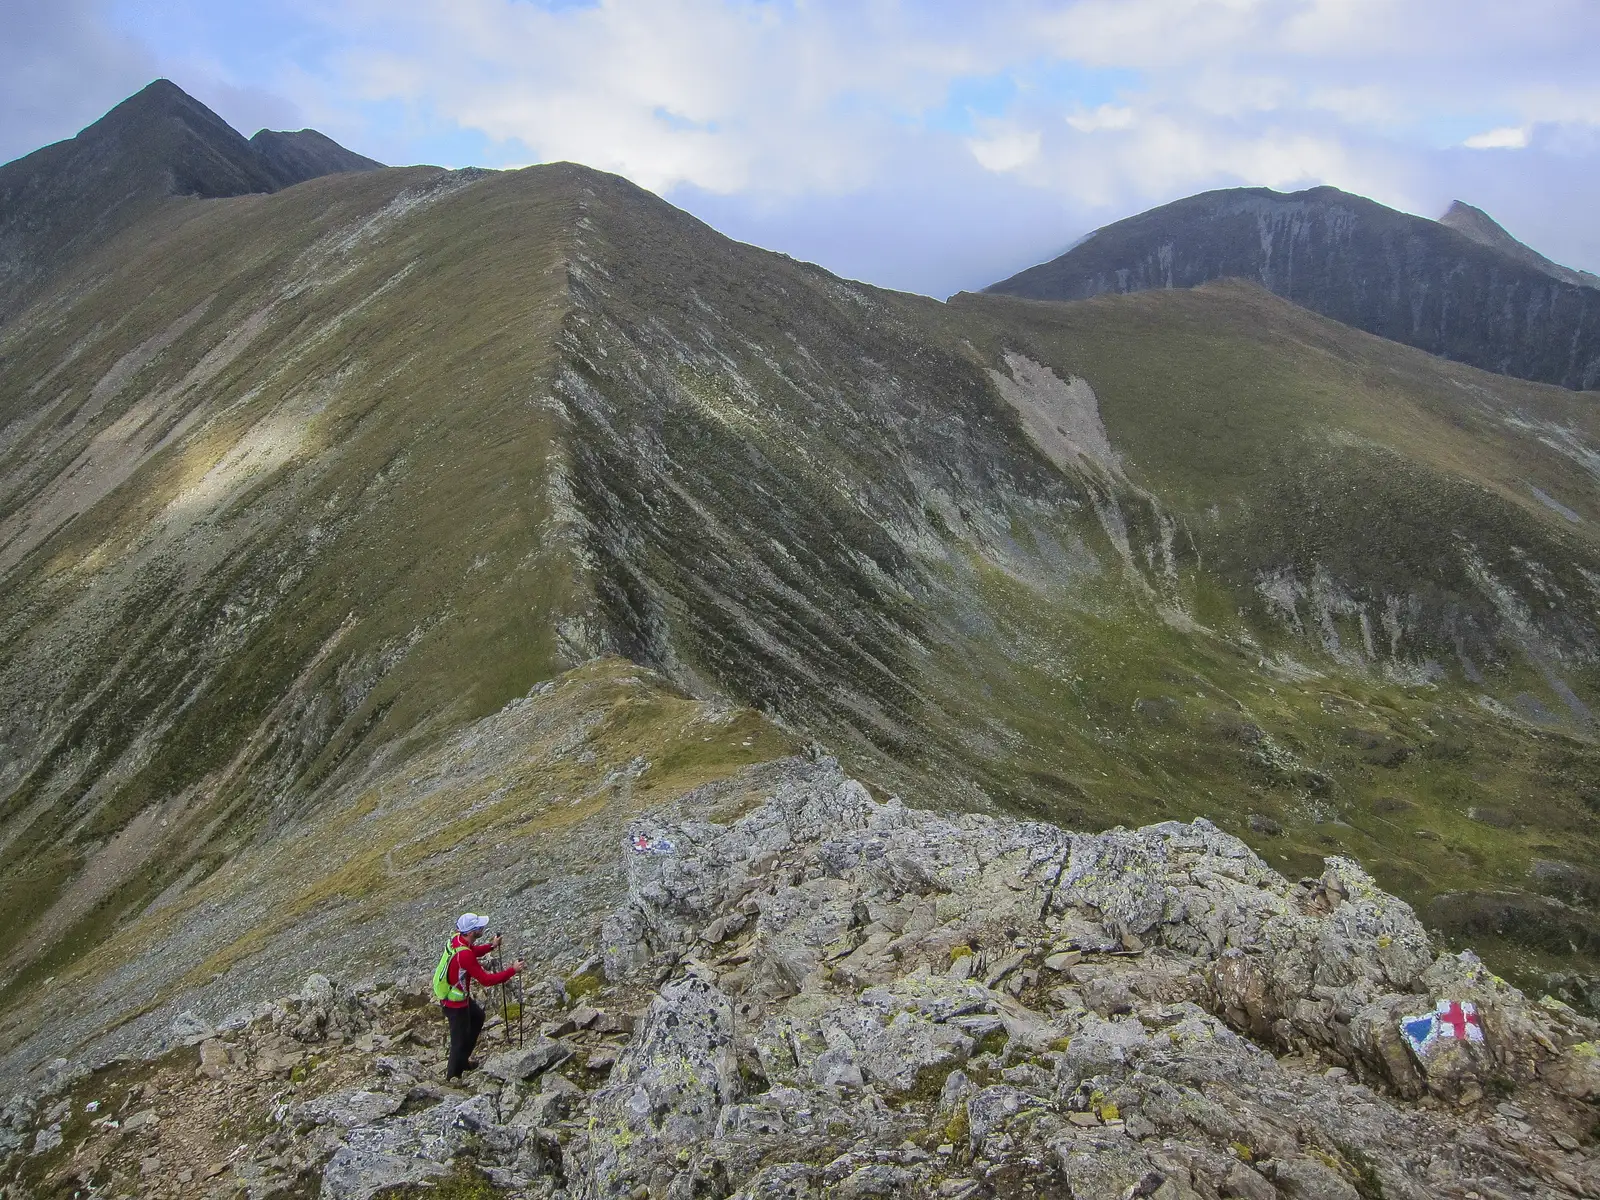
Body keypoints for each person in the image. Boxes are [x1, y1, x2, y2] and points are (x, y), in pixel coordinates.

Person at [434, 913, 524, 1080]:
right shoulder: (465, 955)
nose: (482, 929)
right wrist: (512, 970)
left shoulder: (458, 940)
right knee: (458, 1042)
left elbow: (473, 951)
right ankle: (453, 1077)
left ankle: (462, 1061)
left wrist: (492, 946)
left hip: (457, 997)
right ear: (470, 932)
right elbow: (486, 980)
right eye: (478, 928)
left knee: (477, 1017)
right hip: (455, 1003)